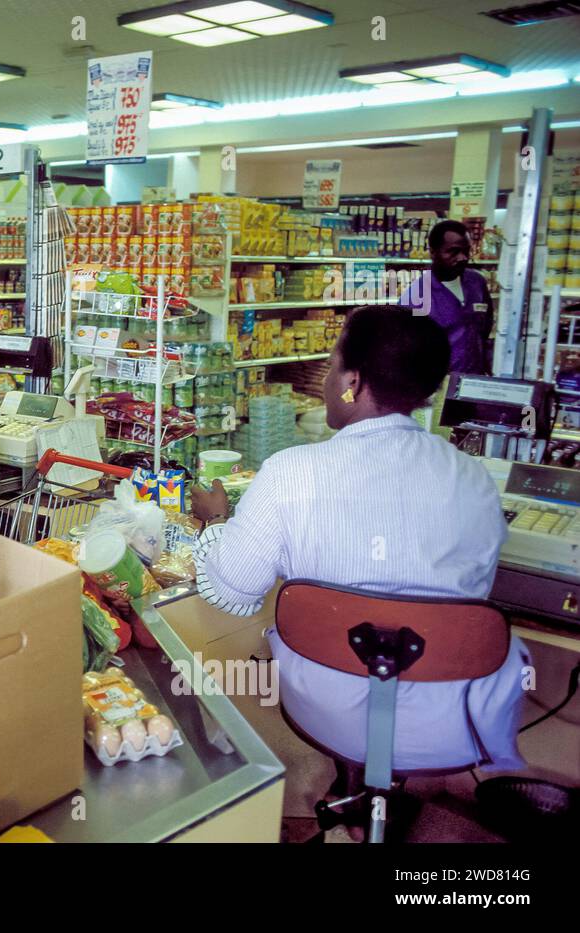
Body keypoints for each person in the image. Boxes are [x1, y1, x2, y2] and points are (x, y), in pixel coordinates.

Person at [189, 306, 528, 794]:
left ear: (352, 381)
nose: (326, 381)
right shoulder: (472, 477)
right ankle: (380, 790)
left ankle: (357, 785)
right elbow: (468, 589)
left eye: (330, 367)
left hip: (325, 704)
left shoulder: (292, 470)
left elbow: (232, 590)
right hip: (457, 713)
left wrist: (219, 521)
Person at [398, 219, 494, 376]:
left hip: (475, 383)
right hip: (438, 390)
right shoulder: (416, 298)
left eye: (466, 251)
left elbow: (485, 327)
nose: (462, 257)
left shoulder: (477, 283)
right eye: (453, 251)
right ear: (433, 252)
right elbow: (406, 354)